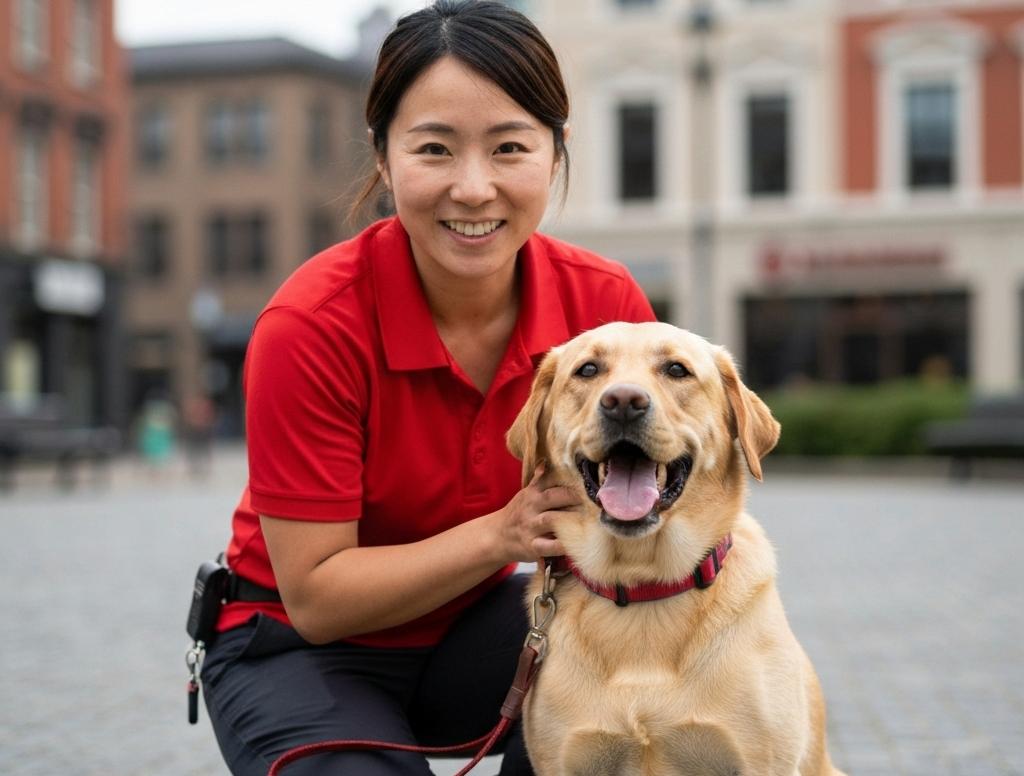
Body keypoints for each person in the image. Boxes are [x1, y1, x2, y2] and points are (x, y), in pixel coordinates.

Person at [198, 2, 657, 774]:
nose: (474, 189)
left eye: (510, 147)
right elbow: (317, 596)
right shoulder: (311, 324)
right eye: (435, 149)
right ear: (383, 157)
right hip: (297, 642)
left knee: (633, 714)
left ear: (555, 152)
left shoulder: (603, 310)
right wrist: (503, 536)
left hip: (473, 630)